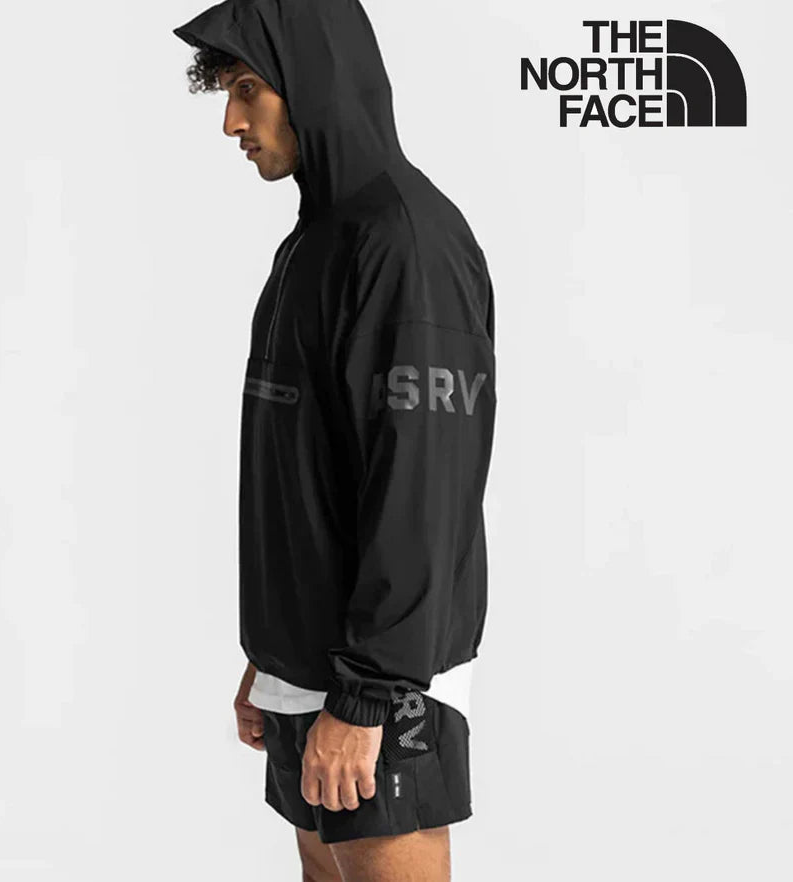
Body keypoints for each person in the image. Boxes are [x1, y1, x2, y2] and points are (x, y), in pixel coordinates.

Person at [173, 1, 497, 879]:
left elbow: (420, 488)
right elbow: (308, 474)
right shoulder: (313, 245)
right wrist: (272, 658)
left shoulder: (406, 244)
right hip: (312, 669)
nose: (232, 121)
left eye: (248, 89)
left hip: (378, 687)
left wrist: (367, 692)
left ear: (312, 84)